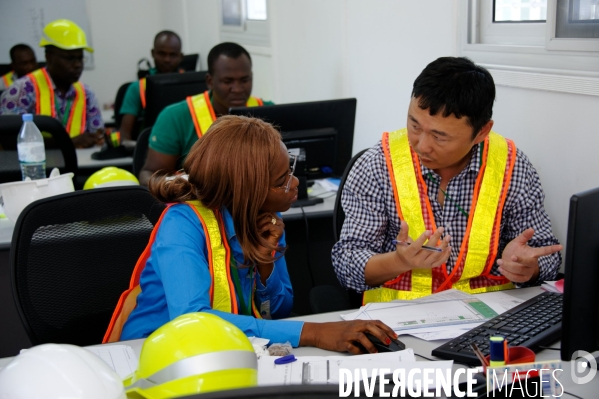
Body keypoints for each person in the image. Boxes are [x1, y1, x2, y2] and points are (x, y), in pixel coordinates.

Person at [104, 115, 397, 354]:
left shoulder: (267, 219)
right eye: (282, 180)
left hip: (229, 350)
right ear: (248, 192)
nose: (295, 183)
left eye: (290, 171)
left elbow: (280, 310)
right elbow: (194, 321)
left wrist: (267, 266)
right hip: (155, 354)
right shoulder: (182, 224)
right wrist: (313, 332)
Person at [332, 57, 562, 303]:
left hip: (488, 321)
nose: (422, 145)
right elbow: (346, 263)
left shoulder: (511, 167)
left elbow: (545, 252)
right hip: (399, 323)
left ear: (482, 132)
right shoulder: (377, 165)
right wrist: (399, 261)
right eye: (414, 125)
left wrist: (528, 268)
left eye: (440, 137)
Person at [138, 42, 273, 186]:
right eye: (228, 81)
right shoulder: (174, 117)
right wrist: (182, 186)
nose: (238, 89)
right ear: (210, 81)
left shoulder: (269, 111)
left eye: (244, 80)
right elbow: (150, 174)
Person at [0, 19, 104, 149]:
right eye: (70, 58)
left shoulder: (86, 94)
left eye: (80, 58)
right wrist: (67, 143)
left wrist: (100, 139)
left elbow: (97, 135)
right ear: (48, 56)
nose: (78, 65)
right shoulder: (21, 90)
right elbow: (9, 141)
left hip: (80, 166)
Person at [118, 31, 184, 141]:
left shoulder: (192, 84)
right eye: (162, 54)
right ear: (153, 53)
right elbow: (124, 135)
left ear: (181, 57)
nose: (167, 60)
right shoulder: (137, 88)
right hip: (151, 148)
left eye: (173, 55)